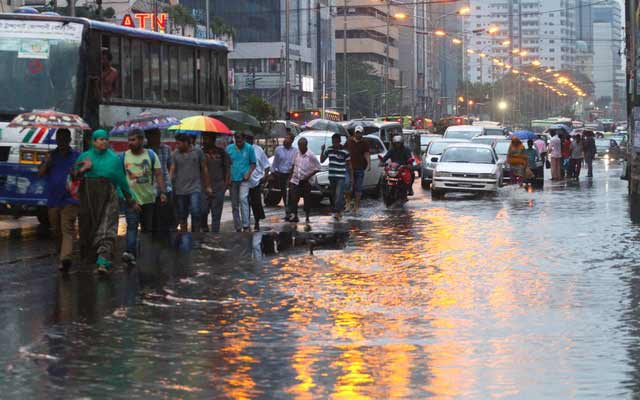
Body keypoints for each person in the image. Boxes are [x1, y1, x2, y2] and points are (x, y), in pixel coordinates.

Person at [75, 129, 138, 274]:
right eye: (100, 139)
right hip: (89, 199)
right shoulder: (85, 157)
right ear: (93, 141)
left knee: (107, 228)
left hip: (109, 197)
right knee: (89, 228)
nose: (104, 141)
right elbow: (73, 176)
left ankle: (103, 260)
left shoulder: (113, 159)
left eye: (106, 139)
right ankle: (94, 258)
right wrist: (84, 169)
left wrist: (131, 200)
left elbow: (122, 181)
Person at [121, 129, 167, 265]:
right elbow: (119, 177)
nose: (130, 143)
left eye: (133, 140)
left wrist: (163, 192)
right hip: (131, 200)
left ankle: (144, 254)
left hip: (148, 199)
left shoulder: (151, 155)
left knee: (147, 228)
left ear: (141, 140)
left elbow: (159, 174)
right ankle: (130, 253)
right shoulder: (123, 157)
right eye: (129, 140)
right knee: (131, 226)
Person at [38, 129, 79, 272]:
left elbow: (80, 175)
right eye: (59, 139)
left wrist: (76, 172)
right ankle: (61, 254)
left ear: (69, 140)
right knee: (57, 230)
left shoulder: (76, 156)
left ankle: (65, 258)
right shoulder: (51, 156)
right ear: (56, 140)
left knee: (67, 228)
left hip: (71, 199)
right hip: (54, 199)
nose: (61, 141)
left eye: (64, 138)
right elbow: (40, 173)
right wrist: (47, 163)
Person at [170, 134, 211, 234]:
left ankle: (195, 233)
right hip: (180, 189)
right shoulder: (175, 154)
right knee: (182, 214)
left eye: (179, 143)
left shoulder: (198, 152)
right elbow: (172, 169)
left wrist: (208, 186)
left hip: (195, 188)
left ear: (186, 143)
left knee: (196, 211)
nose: (177, 146)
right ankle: (184, 234)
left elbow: (204, 168)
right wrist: (169, 185)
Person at [145, 128, 175, 234]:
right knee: (151, 219)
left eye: (159, 135)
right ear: (148, 137)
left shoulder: (166, 148)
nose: (158, 138)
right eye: (155, 135)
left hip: (166, 187)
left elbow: (171, 164)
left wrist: (169, 178)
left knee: (166, 217)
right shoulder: (144, 150)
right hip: (149, 189)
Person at [226, 132, 256, 232]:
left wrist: (248, 173)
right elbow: (227, 164)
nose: (238, 142)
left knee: (243, 200)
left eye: (240, 140)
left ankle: (246, 225)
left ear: (244, 139)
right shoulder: (229, 148)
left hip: (244, 179)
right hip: (233, 179)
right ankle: (237, 226)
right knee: (234, 204)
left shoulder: (249, 148)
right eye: (237, 140)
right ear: (234, 139)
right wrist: (228, 177)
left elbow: (253, 164)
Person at [287, 137, 321, 223]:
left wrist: (309, 175)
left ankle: (307, 216)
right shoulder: (296, 154)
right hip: (295, 180)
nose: (300, 148)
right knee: (293, 198)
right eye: (299, 146)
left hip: (306, 181)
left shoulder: (311, 156)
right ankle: (294, 215)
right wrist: (290, 178)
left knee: (307, 199)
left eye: (302, 146)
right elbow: (293, 166)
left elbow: (318, 168)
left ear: (306, 146)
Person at [201, 135, 230, 233]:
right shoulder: (200, 153)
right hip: (203, 188)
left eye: (206, 138)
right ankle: (204, 228)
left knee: (216, 215)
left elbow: (227, 169)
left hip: (218, 187)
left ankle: (214, 236)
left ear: (212, 139)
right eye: (204, 138)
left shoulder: (222, 153)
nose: (204, 140)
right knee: (203, 211)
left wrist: (225, 186)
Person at [321, 133, 351, 221]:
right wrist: (322, 150)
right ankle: (339, 210)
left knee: (339, 195)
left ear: (339, 141)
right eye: (333, 142)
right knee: (334, 195)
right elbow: (322, 160)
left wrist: (351, 178)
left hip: (341, 176)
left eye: (336, 142)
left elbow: (349, 165)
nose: (335, 144)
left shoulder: (345, 151)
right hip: (332, 176)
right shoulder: (329, 149)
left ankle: (338, 212)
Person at [244, 134, 270, 231]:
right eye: (247, 139)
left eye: (250, 139)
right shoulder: (242, 150)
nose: (249, 141)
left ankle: (257, 222)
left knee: (256, 203)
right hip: (245, 181)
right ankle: (246, 223)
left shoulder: (258, 150)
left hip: (256, 181)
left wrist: (265, 177)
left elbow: (266, 165)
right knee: (245, 203)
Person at [271, 132, 297, 216]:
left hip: (291, 174)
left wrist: (292, 173)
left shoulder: (295, 151)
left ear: (292, 141)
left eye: (288, 138)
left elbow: (295, 164)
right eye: (285, 137)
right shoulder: (278, 149)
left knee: (292, 194)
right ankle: (287, 211)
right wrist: (273, 172)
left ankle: (292, 211)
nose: (286, 139)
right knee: (284, 193)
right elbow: (275, 163)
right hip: (281, 174)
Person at [347, 126, 370, 214]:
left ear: (362, 133)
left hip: (360, 168)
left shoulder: (364, 143)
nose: (358, 134)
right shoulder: (349, 141)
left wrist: (369, 164)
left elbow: (367, 153)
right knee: (348, 186)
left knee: (358, 188)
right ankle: (348, 203)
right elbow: (345, 151)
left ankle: (357, 206)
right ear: (354, 133)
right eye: (357, 132)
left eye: (360, 133)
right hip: (349, 168)